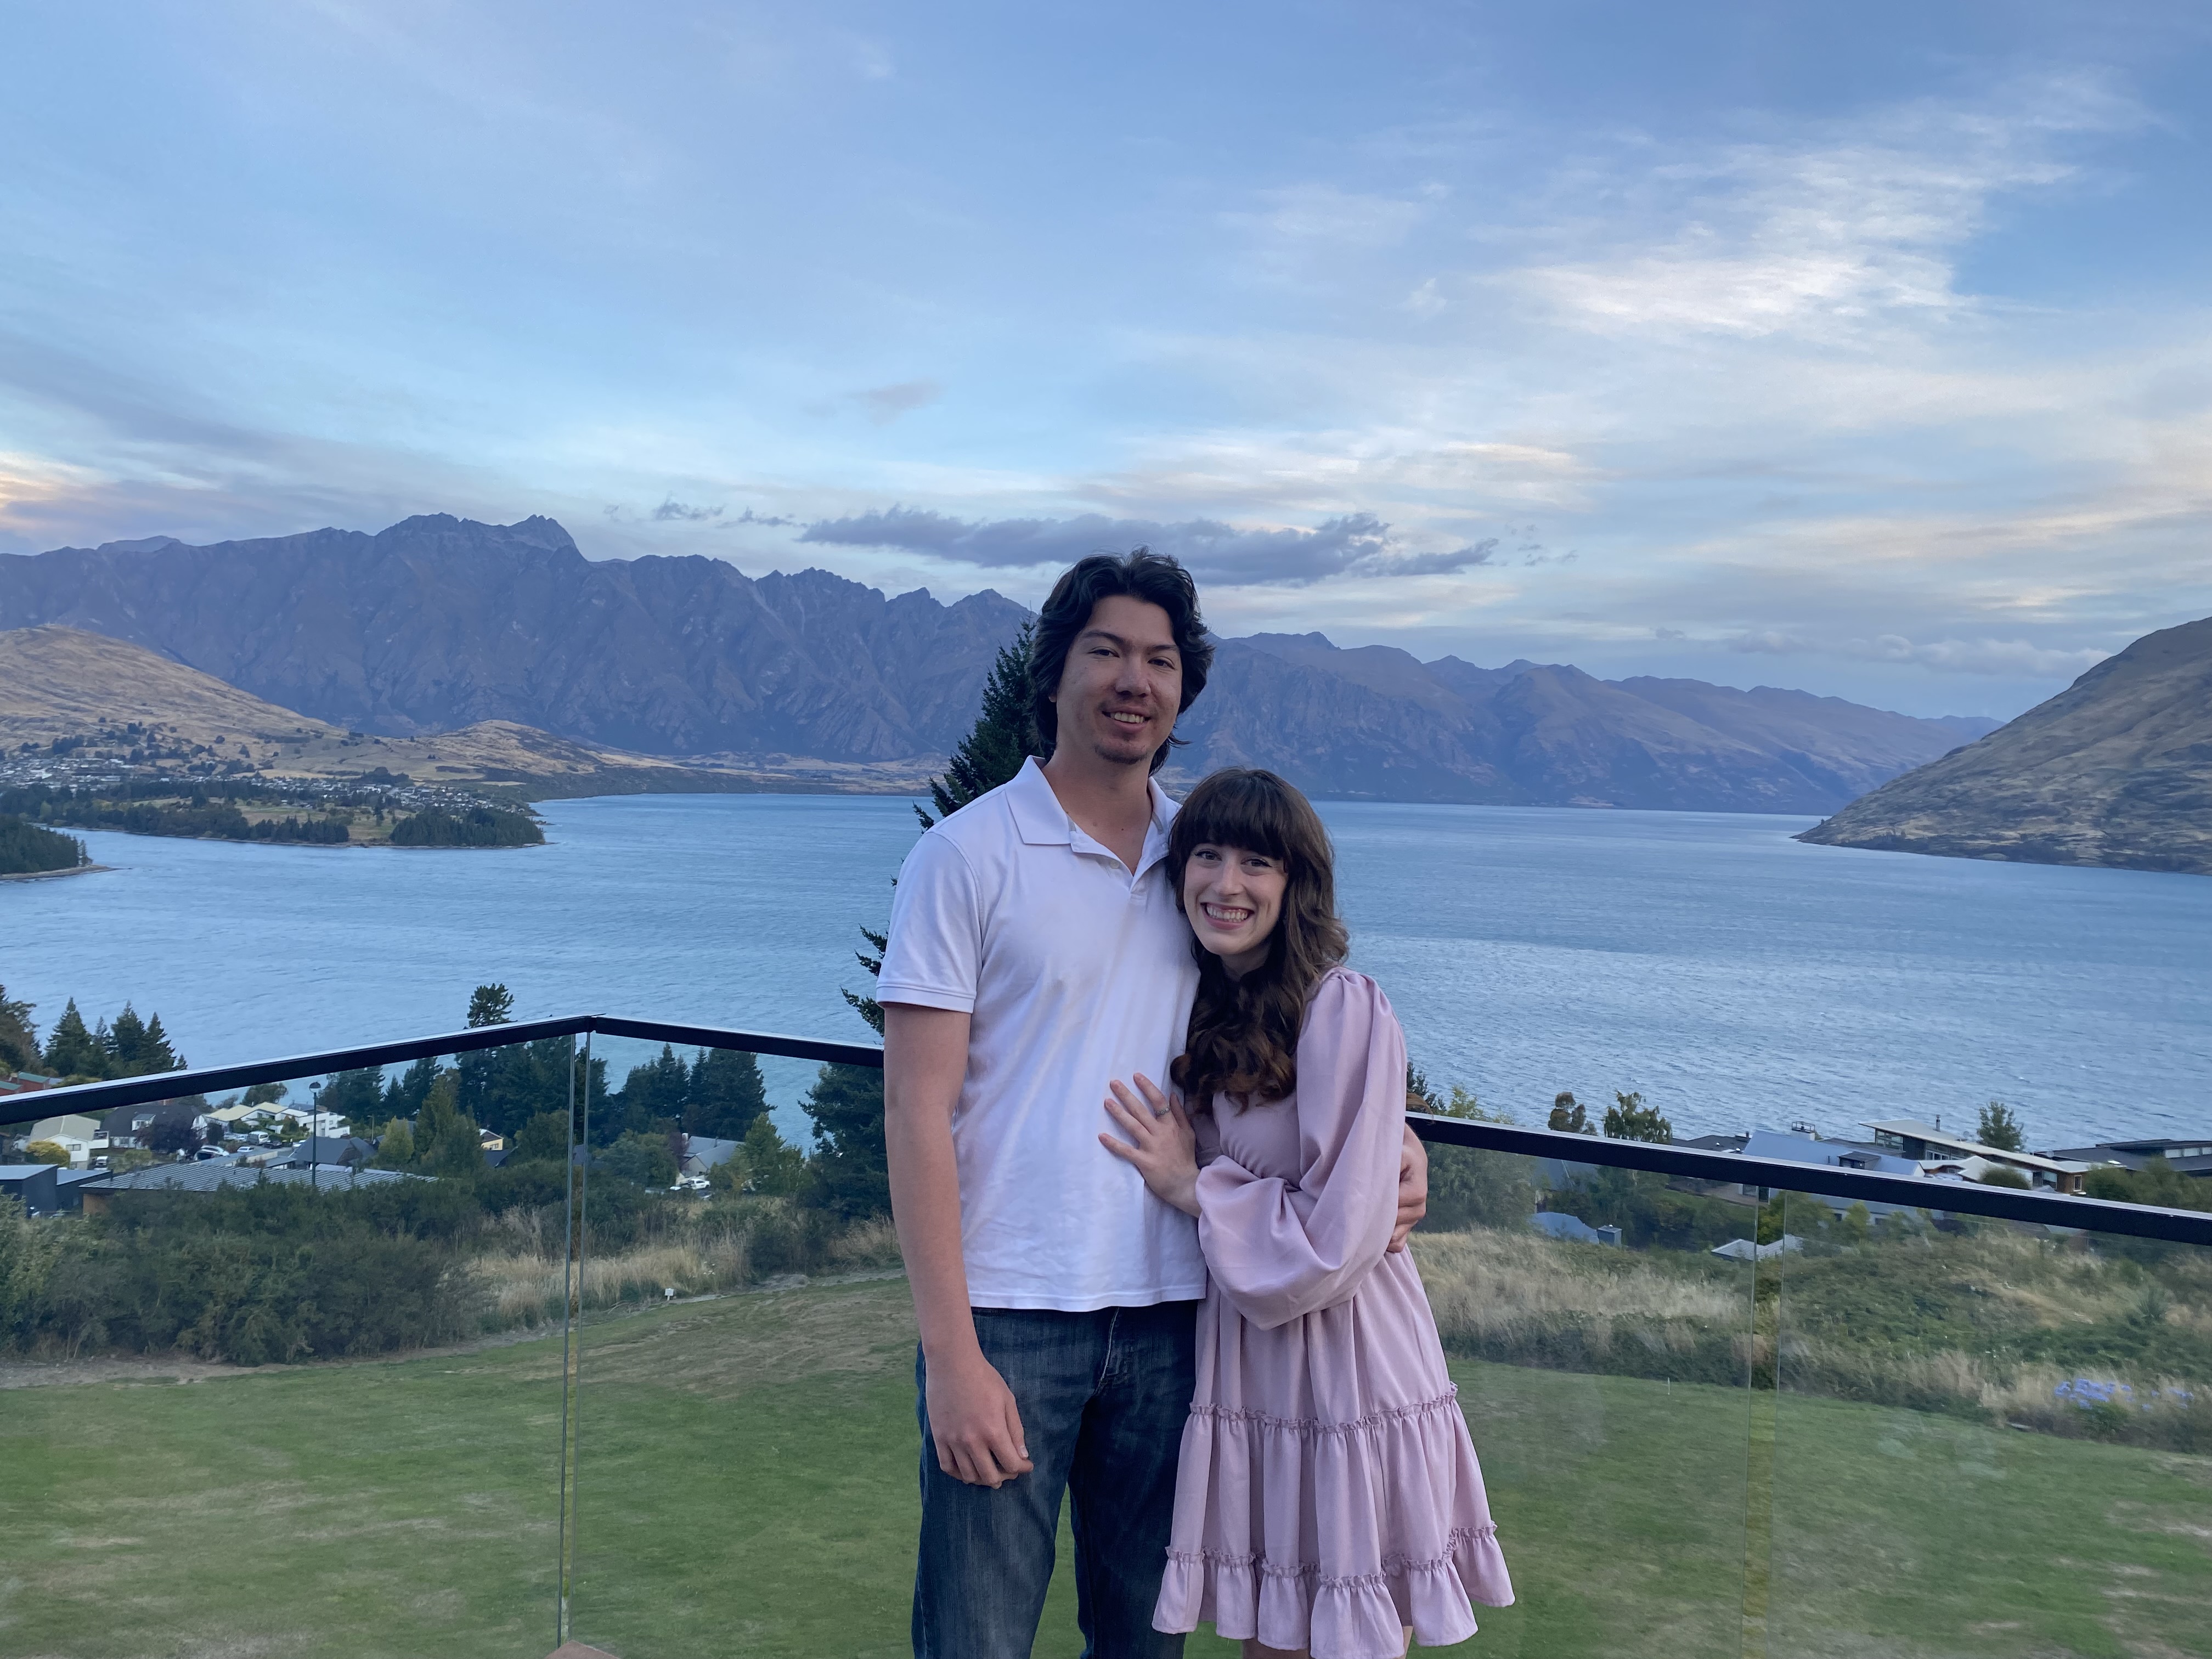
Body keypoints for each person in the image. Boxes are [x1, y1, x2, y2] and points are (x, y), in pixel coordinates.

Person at [878, 552, 1430, 1659]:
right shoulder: (966, 856)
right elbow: (914, 1114)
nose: (1134, 679)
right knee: (975, 1641)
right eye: (1108, 652)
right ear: (1056, 676)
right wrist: (951, 1356)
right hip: (1014, 1318)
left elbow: (1289, 1036)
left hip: (1184, 1319)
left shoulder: (1204, 865)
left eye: (1161, 660)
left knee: (1147, 1644)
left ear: (1184, 690)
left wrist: (1397, 1142)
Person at [1100, 768, 1513, 1659]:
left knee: (1340, 1640)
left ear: (1297, 885)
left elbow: (1334, 1244)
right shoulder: (1206, 1006)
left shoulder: (1341, 1008)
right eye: (1206, 855)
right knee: (1278, 1639)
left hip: (1348, 1362)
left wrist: (1193, 1186)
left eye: (1259, 862)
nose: (1227, 883)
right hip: (1260, 1374)